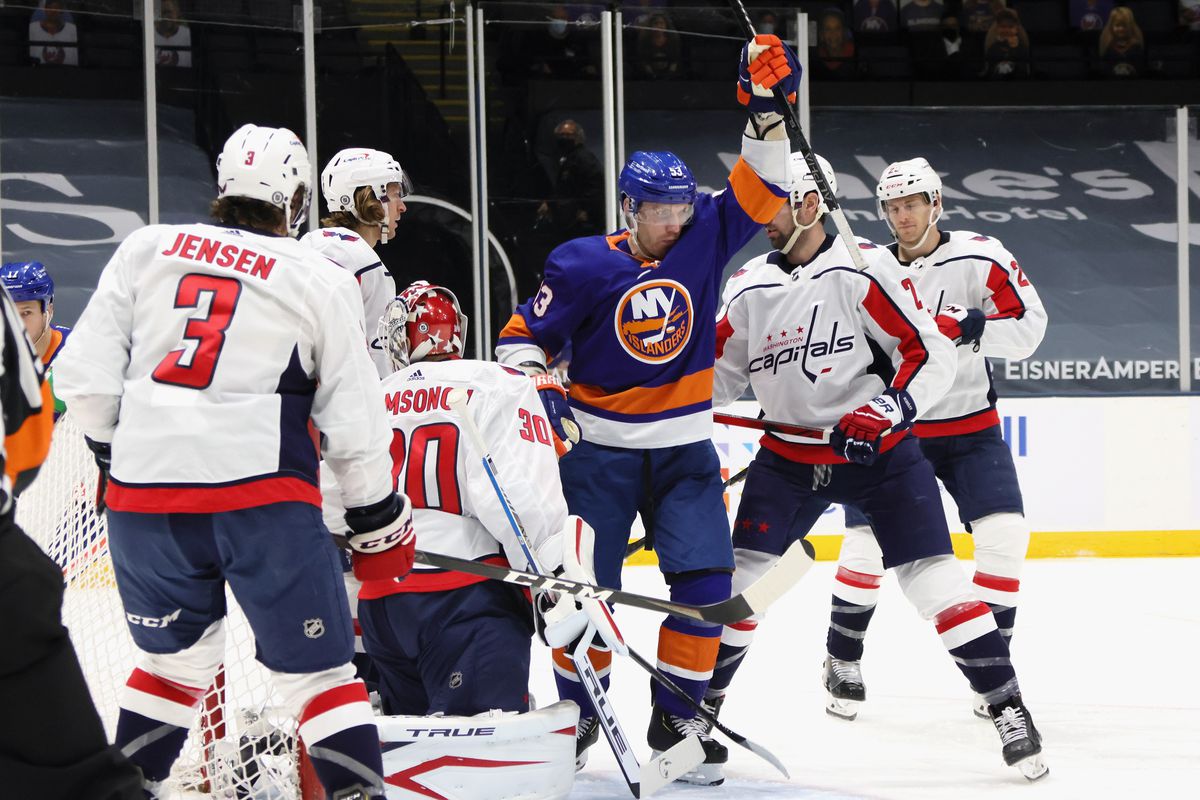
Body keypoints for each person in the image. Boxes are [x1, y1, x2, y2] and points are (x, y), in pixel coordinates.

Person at [53, 124, 416, 800]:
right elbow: (354, 423)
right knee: (321, 682)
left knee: (173, 667)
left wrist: (118, 455)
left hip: (145, 503)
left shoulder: (146, 248)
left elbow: (83, 381)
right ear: (299, 199)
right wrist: (375, 518)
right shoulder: (317, 275)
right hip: (263, 500)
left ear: (223, 187)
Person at [495, 34, 799, 786]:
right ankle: (577, 715)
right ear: (629, 207)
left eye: (679, 205)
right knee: (578, 599)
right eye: (659, 209)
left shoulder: (704, 236)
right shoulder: (580, 263)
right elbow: (518, 339)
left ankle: (676, 719)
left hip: (686, 457)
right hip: (597, 459)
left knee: (704, 590)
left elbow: (763, 185)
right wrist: (540, 383)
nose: (674, 219)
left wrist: (764, 109)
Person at [704, 152, 1049, 781]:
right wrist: (649, 404)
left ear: (810, 204)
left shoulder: (869, 268)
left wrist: (893, 406)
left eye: (773, 206)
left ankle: (1008, 707)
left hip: (881, 456)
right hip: (787, 460)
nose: (762, 220)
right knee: (741, 589)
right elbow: (718, 378)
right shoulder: (748, 283)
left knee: (936, 583)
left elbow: (932, 355)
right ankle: (699, 713)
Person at [323, 279, 619, 731]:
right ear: (456, 333)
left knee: (416, 755)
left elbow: (332, 502)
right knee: (476, 749)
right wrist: (550, 578)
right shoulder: (497, 384)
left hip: (382, 605)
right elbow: (516, 496)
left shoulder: (370, 398)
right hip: (467, 600)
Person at [827, 156, 1047, 717]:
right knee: (864, 547)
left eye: (912, 205)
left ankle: (993, 665)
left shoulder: (981, 255)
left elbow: (1029, 329)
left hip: (972, 427)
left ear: (936, 205)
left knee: (1005, 538)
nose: (902, 216)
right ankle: (841, 657)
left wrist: (978, 329)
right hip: (899, 429)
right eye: (893, 207)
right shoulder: (868, 268)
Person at [1, 286, 144, 799]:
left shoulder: (65, 347)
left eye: (28, 311)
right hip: (11, 569)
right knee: (79, 773)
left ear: (46, 311)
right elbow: (29, 434)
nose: (21, 318)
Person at [302, 148, 411, 379]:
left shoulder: (306, 245)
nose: (402, 206)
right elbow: (380, 361)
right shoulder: (366, 264)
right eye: (393, 194)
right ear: (368, 197)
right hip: (338, 403)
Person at [536, 120, 605, 240]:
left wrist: (586, 210)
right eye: (561, 135)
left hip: (583, 222)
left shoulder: (584, 158)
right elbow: (564, 188)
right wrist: (550, 203)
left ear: (578, 137)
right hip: (568, 220)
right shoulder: (568, 159)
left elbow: (595, 186)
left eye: (568, 135)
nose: (564, 138)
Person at [1097, 6, 1145, 78]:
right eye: (1117, 25)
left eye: (1124, 26)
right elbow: (1104, 66)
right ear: (1111, 26)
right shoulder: (1108, 45)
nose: (1121, 29)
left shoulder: (1136, 45)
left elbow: (1141, 66)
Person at [983, 7, 1030, 79]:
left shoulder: (1022, 47)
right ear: (997, 28)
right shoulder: (992, 48)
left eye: (1010, 27)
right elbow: (989, 71)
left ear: (1016, 29)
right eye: (1003, 26)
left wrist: (1014, 48)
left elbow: (1024, 70)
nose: (1006, 30)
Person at [28, 0, 78, 66]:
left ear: (61, 11)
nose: (53, 11)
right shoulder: (33, 28)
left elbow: (74, 60)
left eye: (57, 8)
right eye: (50, 8)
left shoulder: (72, 29)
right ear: (45, 10)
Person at [636, 13, 682, 80]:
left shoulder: (673, 38)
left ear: (666, 25)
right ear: (650, 25)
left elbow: (675, 59)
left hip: (672, 76)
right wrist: (652, 75)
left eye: (661, 23)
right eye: (656, 23)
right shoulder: (644, 39)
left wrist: (670, 75)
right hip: (648, 77)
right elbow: (644, 61)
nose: (659, 26)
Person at [815, 10, 856, 79]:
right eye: (828, 29)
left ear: (844, 32)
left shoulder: (856, 56)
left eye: (837, 28)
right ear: (821, 34)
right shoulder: (815, 58)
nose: (833, 34)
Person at [154, 0, 192, 68]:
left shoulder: (188, 35)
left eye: (169, 12)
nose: (165, 16)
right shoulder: (148, 34)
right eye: (162, 13)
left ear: (177, 13)